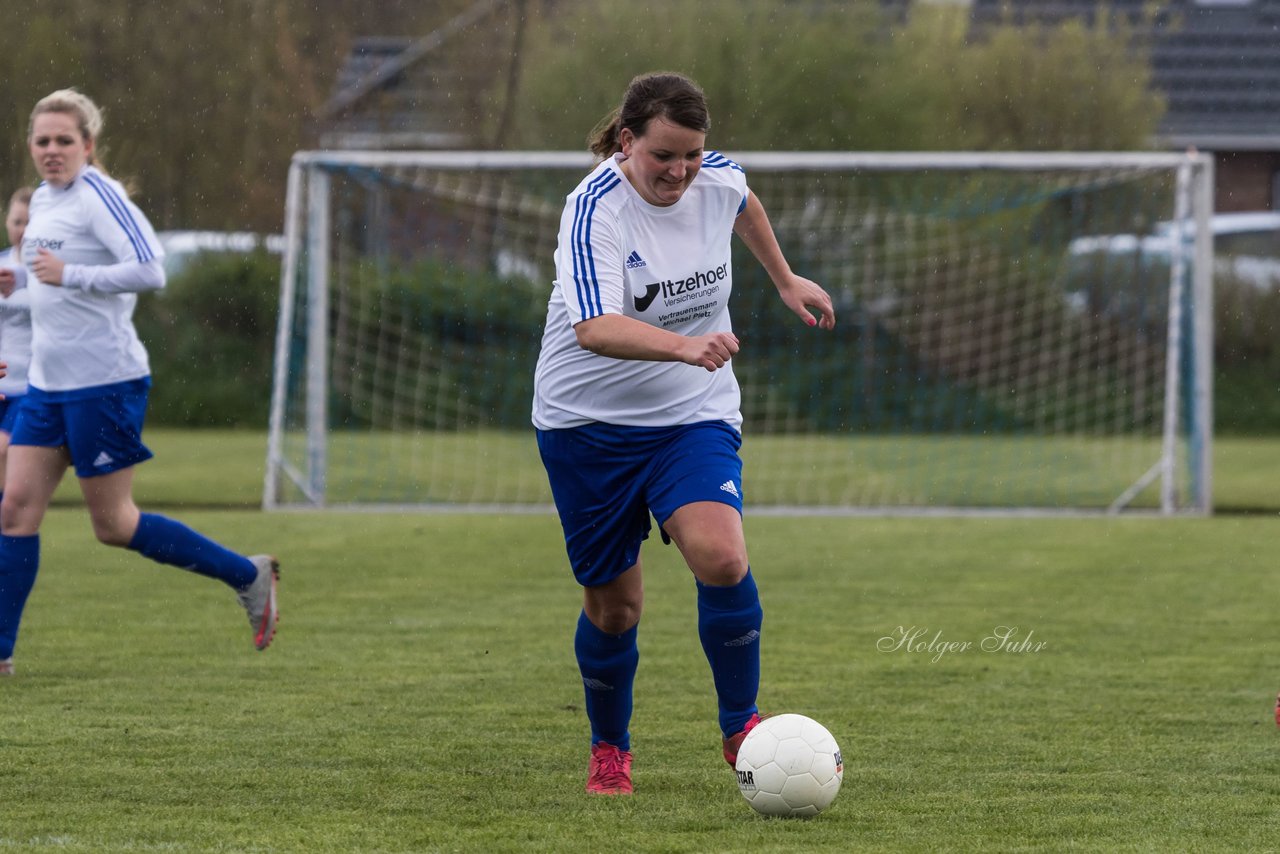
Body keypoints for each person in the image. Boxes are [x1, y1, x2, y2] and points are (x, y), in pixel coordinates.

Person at [532, 72, 836, 795]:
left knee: (723, 557)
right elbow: (594, 327)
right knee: (616, 606)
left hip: (691, 415)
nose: (679, 171)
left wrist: (785, 278)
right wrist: (682, 346)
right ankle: (611, 748)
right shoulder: (593, 210)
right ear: (628, 140)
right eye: (664, 155)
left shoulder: (717, 178)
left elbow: (744, 203)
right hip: (587, 427)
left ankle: (743, 730)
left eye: (692, 155)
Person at [0, 89, 279, 678]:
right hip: (47, 387)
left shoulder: (98, 195)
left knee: (114, 525)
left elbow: (151, 267)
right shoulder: (45, 202)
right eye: (43, 140)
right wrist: (19, 281)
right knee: (15, 511)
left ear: (88, 145)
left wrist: (69, 273)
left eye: (64, 140)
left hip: (104, 382)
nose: (52, 150)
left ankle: (246, 574)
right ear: (30, 146)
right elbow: (50, 277)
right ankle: (1, 653)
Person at [0, 187, 34, 490]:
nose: (22, 230)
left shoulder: (49, 271)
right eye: (17, 222)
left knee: (2, 451)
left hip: (31, 386)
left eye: (29, 223)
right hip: (1, 382)